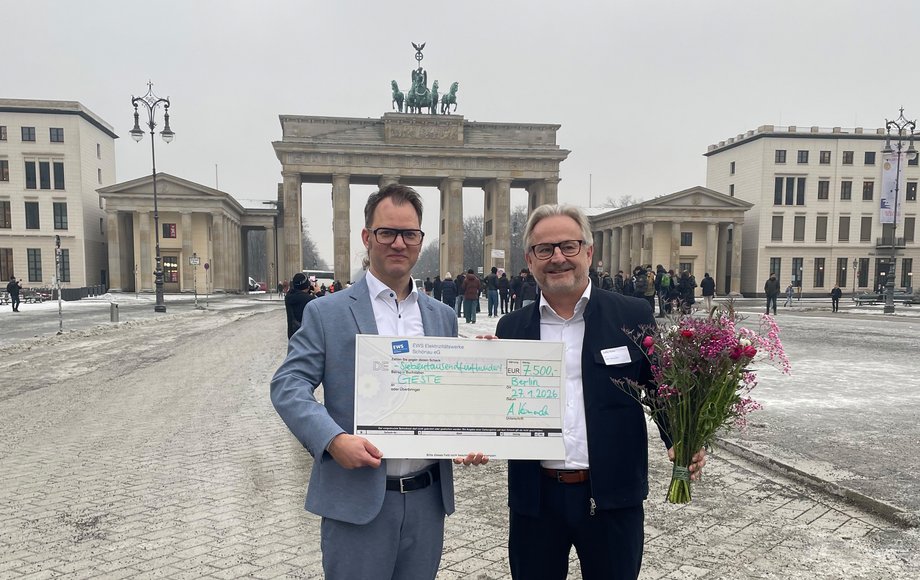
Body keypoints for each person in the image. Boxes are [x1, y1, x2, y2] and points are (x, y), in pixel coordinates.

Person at [270, 184, 486, 580]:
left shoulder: (441, 317)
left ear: (421, 241)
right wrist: (333, 441)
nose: (399, 243)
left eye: (409, 234)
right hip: (357, 502)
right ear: (367, 238)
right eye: (387, 232)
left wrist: (485, 374)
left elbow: (449, 394)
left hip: (427, 502)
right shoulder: (327, 312)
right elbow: (288, 385)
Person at [494, 204, 705, 580]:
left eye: (569, 246)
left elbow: (660, 388)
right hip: (535, 499)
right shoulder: (511, 328)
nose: (558, 257)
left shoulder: (632, 314)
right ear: (530, 259)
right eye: (545, 249)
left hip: (611, 496)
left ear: (589, 252)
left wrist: (681, 440)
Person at [284, 273, 317, 339]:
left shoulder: (289, 296)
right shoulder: (310, 300)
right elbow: (326, 308)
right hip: (306, 338)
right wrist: (318, 293)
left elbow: (299, 295)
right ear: (307, 286)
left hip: (293, 336)